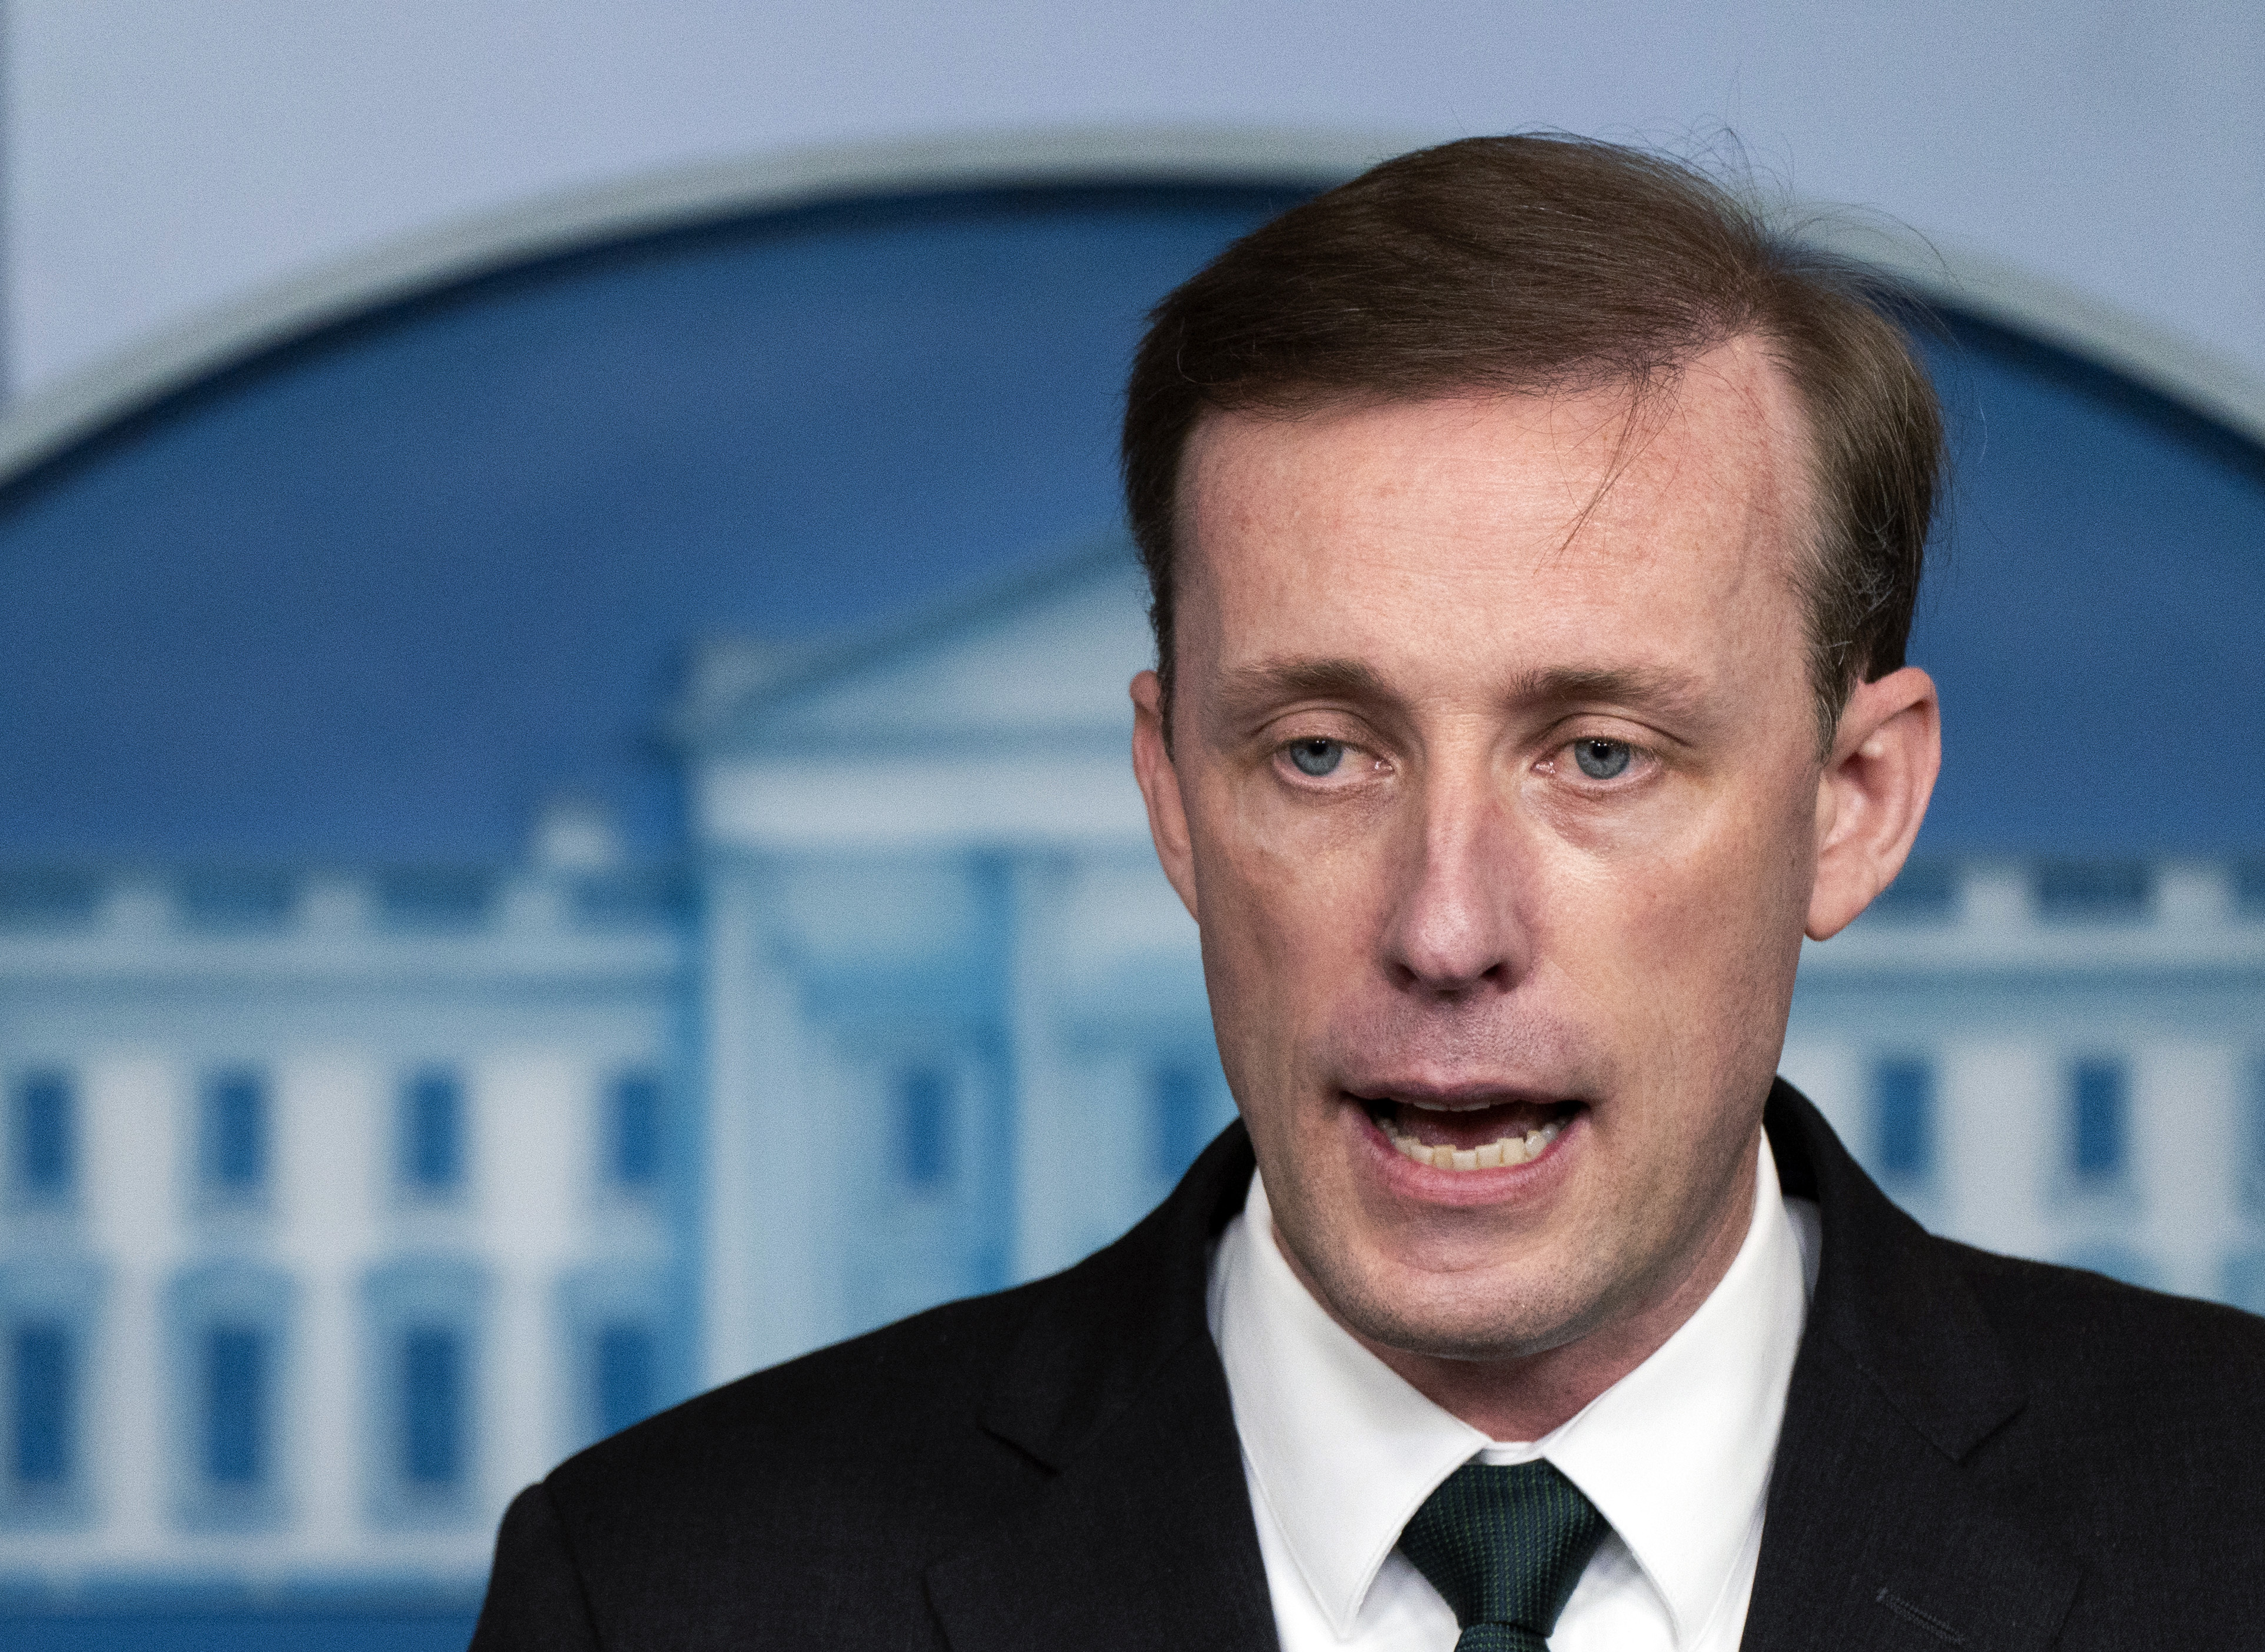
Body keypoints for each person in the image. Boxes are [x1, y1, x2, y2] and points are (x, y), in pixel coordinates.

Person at [470, 136, 2265, 1651]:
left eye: (1598, 755)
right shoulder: (665, 1597)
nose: (1447, 926)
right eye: (1324, 752)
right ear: (1173, 797)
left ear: (1854, 805)